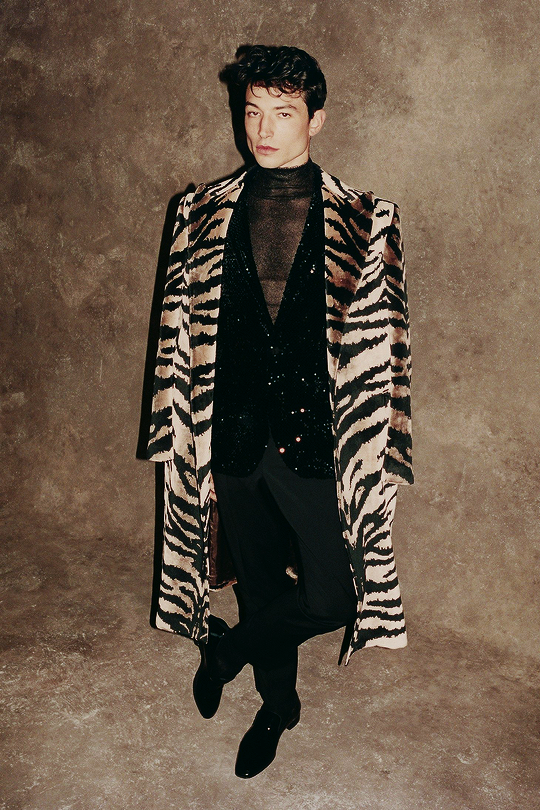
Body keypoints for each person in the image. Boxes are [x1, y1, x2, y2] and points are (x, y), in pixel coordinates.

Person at [146, 45, 413, 778]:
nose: (263, 130)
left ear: (315, 120)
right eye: (252, 111)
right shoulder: (198, 212)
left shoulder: (369, 220)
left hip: (319, 444)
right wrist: (176, 440)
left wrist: (385, 454)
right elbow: (174, 338)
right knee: (261, 583)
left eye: (283, 113)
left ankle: (227, 651)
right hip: (229, 437)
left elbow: (391, 351)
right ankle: (278, 706)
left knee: (333, 596)